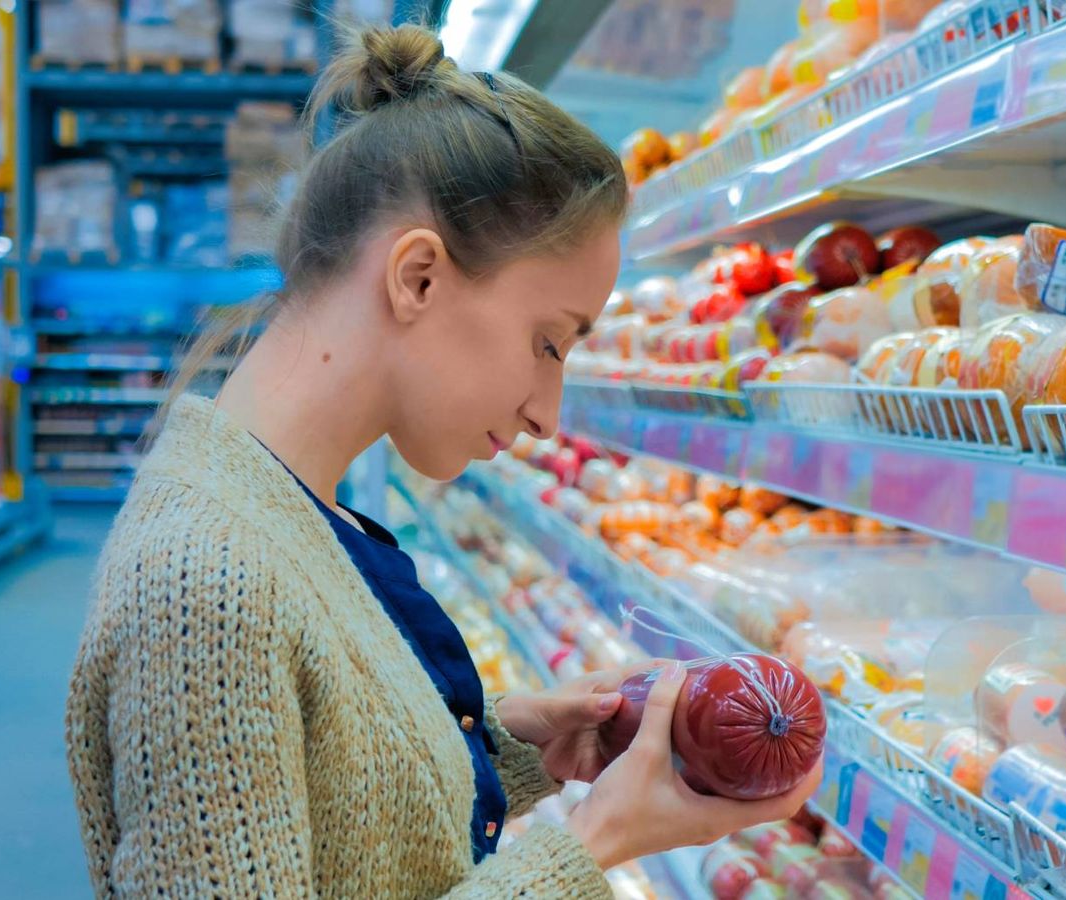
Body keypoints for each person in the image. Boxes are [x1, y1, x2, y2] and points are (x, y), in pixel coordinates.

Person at [65, 22, 822, 899]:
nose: (548, 414)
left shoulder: (284, 511)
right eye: (549, 342)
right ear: (418, 276)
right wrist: (589, 847)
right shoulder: (207, 587)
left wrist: (503, 750)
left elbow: (328, 816)